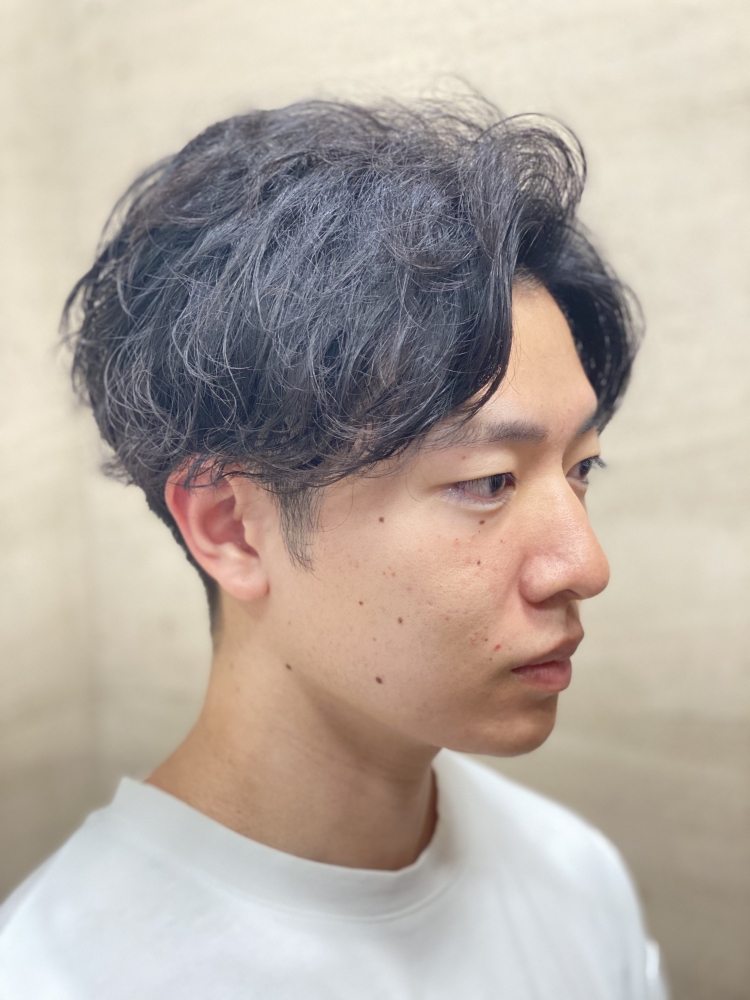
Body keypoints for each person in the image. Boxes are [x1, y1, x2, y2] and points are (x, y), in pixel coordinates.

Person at [0, 96, 667, 998]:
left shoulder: (574, 880)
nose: (584, 565)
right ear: (230, 527)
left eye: (581, 467)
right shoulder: (57, 975)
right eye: (488, 481)